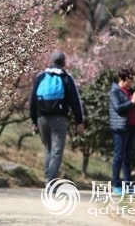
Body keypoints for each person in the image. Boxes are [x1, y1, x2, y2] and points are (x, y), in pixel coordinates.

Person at [29, 50, 84, 188]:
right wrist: (80, 121)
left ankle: (48, 176)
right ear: (64, 63)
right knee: (57, 151)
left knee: (48, 148)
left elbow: (32, 101)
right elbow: (75, 101)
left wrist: (34, 120)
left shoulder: (41, 76)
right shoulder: (66, 78)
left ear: (51, 61)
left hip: (42, 118)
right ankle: (50, 180)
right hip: (59, 119)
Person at [108, 67, 135, 196]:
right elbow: (119, 108)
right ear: (122, 79)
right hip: (120, 128)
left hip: (132, 126)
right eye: (129, 80)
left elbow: (134, 110)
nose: (131, 83)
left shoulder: (131, 92)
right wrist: (132, 101)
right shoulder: (114, 92)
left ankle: (128, 184)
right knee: (119, 156)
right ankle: (117, 184)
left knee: (128, 158)